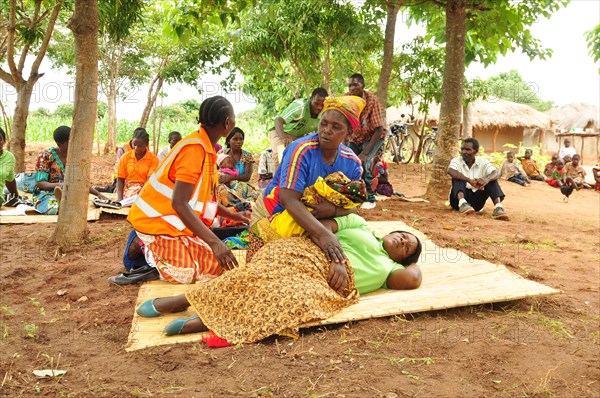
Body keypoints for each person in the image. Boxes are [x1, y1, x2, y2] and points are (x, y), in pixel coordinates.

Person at [135, 214, 422, 342]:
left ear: (404, 259)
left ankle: (205, 321)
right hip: (306, 251)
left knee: (288, 298)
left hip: (321, 281)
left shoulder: (389, 270)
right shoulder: (359, 224)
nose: (404, 240)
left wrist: (417, 260)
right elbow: (320, 227)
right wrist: (336, 257)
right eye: (405, 236)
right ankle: (183, 299)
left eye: (408, 247)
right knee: (259, 273)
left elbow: (414, 279)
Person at [109, 96, 250, 285]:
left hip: (175, 227)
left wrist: (237, 216)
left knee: (215, 267)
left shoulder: (207, 150)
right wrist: (215, 242)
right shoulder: (194, 149)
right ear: (226, 123)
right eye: (233, 118)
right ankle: (146, 253)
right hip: (154, 224)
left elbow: (206, 203)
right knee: (188, 273)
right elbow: (179, 203)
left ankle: (155, 259)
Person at [252, 96, 364, 269]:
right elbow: (288, 200)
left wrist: (333, 210)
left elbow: (355, 204)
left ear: (349, 133)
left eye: (336, 127)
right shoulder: (301, 150)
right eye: (324, 123)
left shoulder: (352, 162)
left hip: (318, 221)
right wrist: (324, 235)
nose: (327, 130)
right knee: (272, 269)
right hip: (274, 216)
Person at [33, 126, 107, 215]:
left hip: (69, 191)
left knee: (77, 203)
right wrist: (60, 185)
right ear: (59, 143)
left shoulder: (74, 156)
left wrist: (98, 194)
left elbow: (80, 181)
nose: (73, 144)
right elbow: (40, 183)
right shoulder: (46, 156)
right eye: (69, 142)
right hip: (47, 192)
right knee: (52, 207)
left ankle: (63, 202)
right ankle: (59, 203)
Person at [346, 73, 385, 210]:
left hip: (373, 137)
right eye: (350, 85)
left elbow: (379, 129)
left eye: (355, 85)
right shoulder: (346, 100)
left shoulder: (372, 101)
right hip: (355, 137)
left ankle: (370, 198)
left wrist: (365, 153)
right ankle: (356, 196)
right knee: (350, 163)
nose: (352, 88)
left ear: (363, 86)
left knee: (365, 162)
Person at [447, 137, 508, 220]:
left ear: (475, 151)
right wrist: (469, 180)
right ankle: (463, 204)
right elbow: (450, 170)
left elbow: (496, 172)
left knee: (491, 179)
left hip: (476, 202)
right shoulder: (457, 160)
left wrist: (486, 179)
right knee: (457, 176)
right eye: (462, 149)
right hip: (457, 201)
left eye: (468, 149)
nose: (464, 152)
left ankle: (498, 208)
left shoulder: (482, 162)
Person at [269, 87, 328, 167]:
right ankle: (279, 179)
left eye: (322, 105)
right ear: (310, 99)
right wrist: (284, 138)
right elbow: (278, 121)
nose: (319, 107)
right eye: (316, 103)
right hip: (280, 132)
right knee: (281, 157)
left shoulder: (324, 114)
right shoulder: (300, 106)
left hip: (298, 136)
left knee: (305, 158)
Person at [116, 128, 159, 202]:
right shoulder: (125, 157)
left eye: (140, 146)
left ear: (146, 145)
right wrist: (120, 200)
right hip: (129, 190)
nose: (136, 148)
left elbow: (149, 181)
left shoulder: (153, 159)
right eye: (134, 144)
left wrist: (141, 191)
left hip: (146, 188)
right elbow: (120, 180)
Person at [0, 127, 18, 206]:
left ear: (4, 141)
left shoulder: (9, 157)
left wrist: (16, 196)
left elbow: (10, 179)